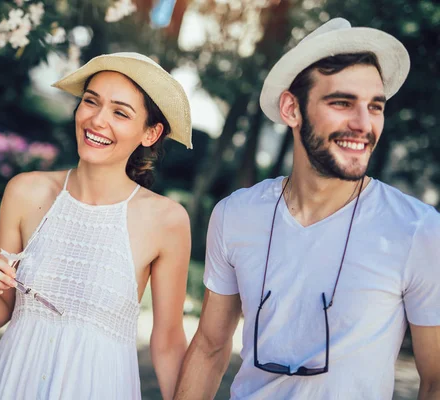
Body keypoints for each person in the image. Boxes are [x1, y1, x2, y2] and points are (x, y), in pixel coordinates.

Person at [174, 18, 440, 399]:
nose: (363, 124)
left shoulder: (417, 230)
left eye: (375, 107)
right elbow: (210, 346)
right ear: (291, 109)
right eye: (342, 103)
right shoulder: (236, 214)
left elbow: (435, 381)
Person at [0, 52, 192, 399]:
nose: (97, 120)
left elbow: (169, 342)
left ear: (150, 133)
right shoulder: (25, 191)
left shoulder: (167, 221)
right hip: (14, 383)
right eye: (90, 102)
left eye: (120, 112)